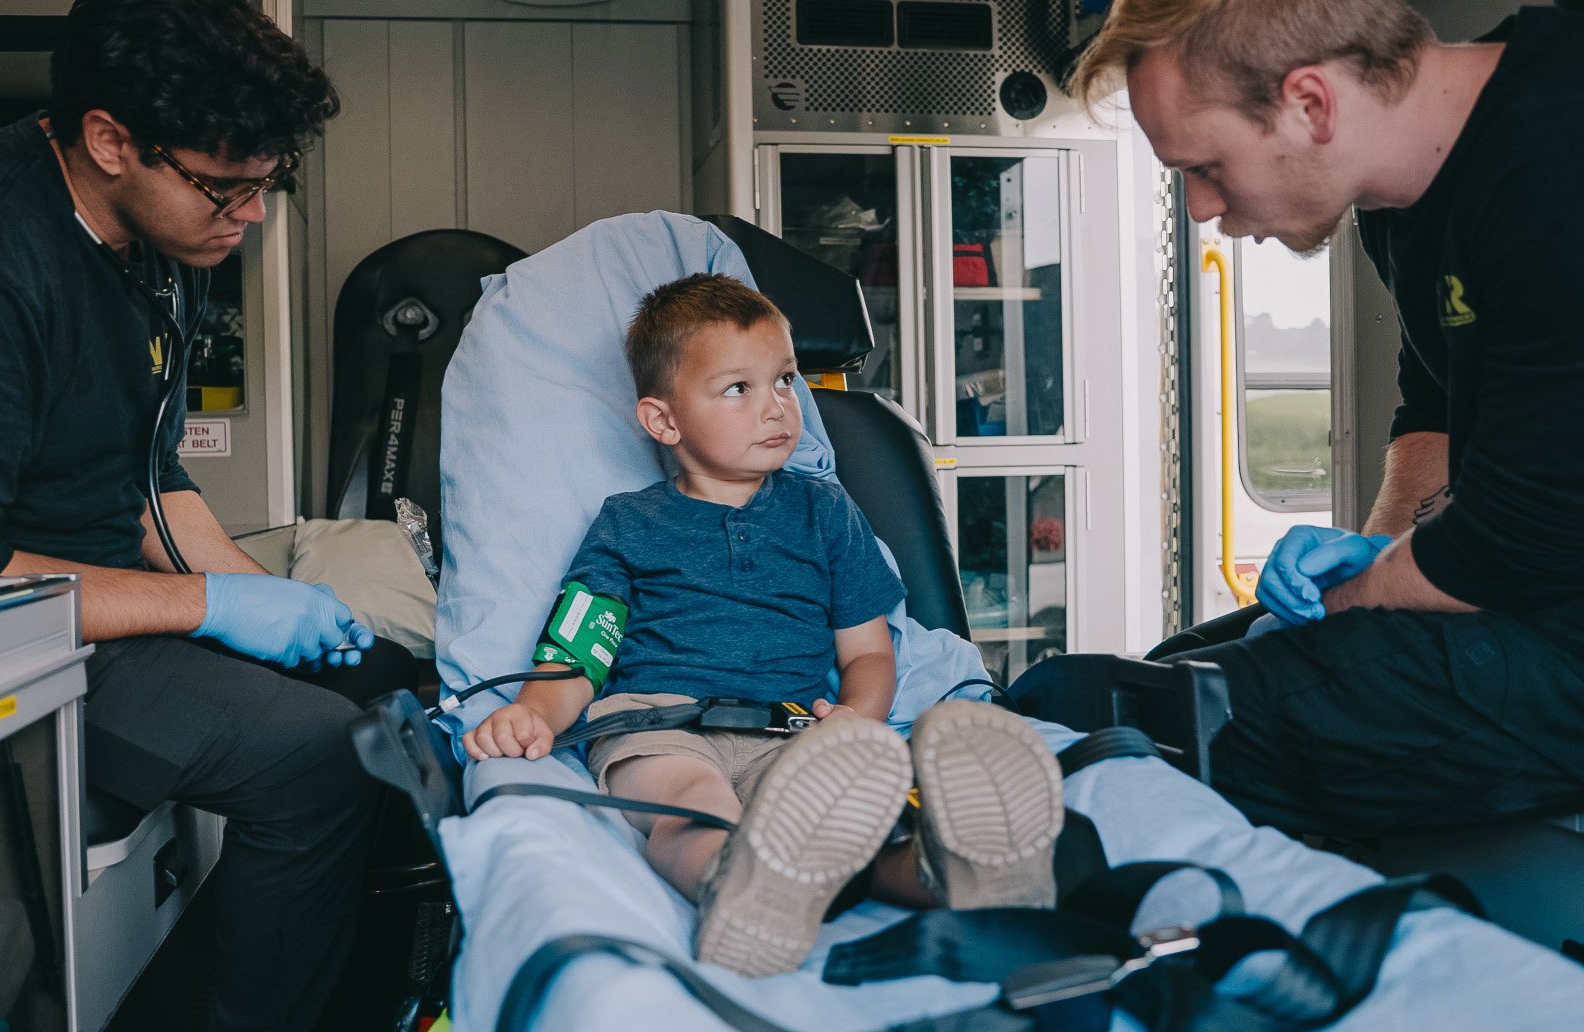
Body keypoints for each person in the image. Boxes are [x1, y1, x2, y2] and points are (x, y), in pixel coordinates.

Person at [0, 1, 418, 1027]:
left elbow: (147, 468)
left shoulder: (151, 243)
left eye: (267, 184)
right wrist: (207, 607)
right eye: (227, 186)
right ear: (111, 140)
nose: (249, 216)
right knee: (317, 757)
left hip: (78, 602)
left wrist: (262, 601)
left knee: (387, 682)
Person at [1071, 0, 1584, 835]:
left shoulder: (1555, 159)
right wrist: (1381, 552)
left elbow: (1519, 539)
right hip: (1537, 587)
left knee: (1207, 728)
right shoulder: (1404, 196)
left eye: (1204, 166)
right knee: (1149, 682)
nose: (1199, 207)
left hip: (1553, 601)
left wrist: (1354, 600)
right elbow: (1435, 407)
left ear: (1311, 103)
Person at [462, 274, 1064, 976]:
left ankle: (953, 874)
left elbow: (869, 652)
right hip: (658, 724)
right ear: (663, 421)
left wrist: (856, 721)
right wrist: (533, 713)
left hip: (791, 732)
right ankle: (738, 888)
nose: (777, 406)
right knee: (695, 806)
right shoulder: (628, 523)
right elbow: (578, 650)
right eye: (738, 389)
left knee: (848, 828)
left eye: (783, 380)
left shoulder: (824, 511)